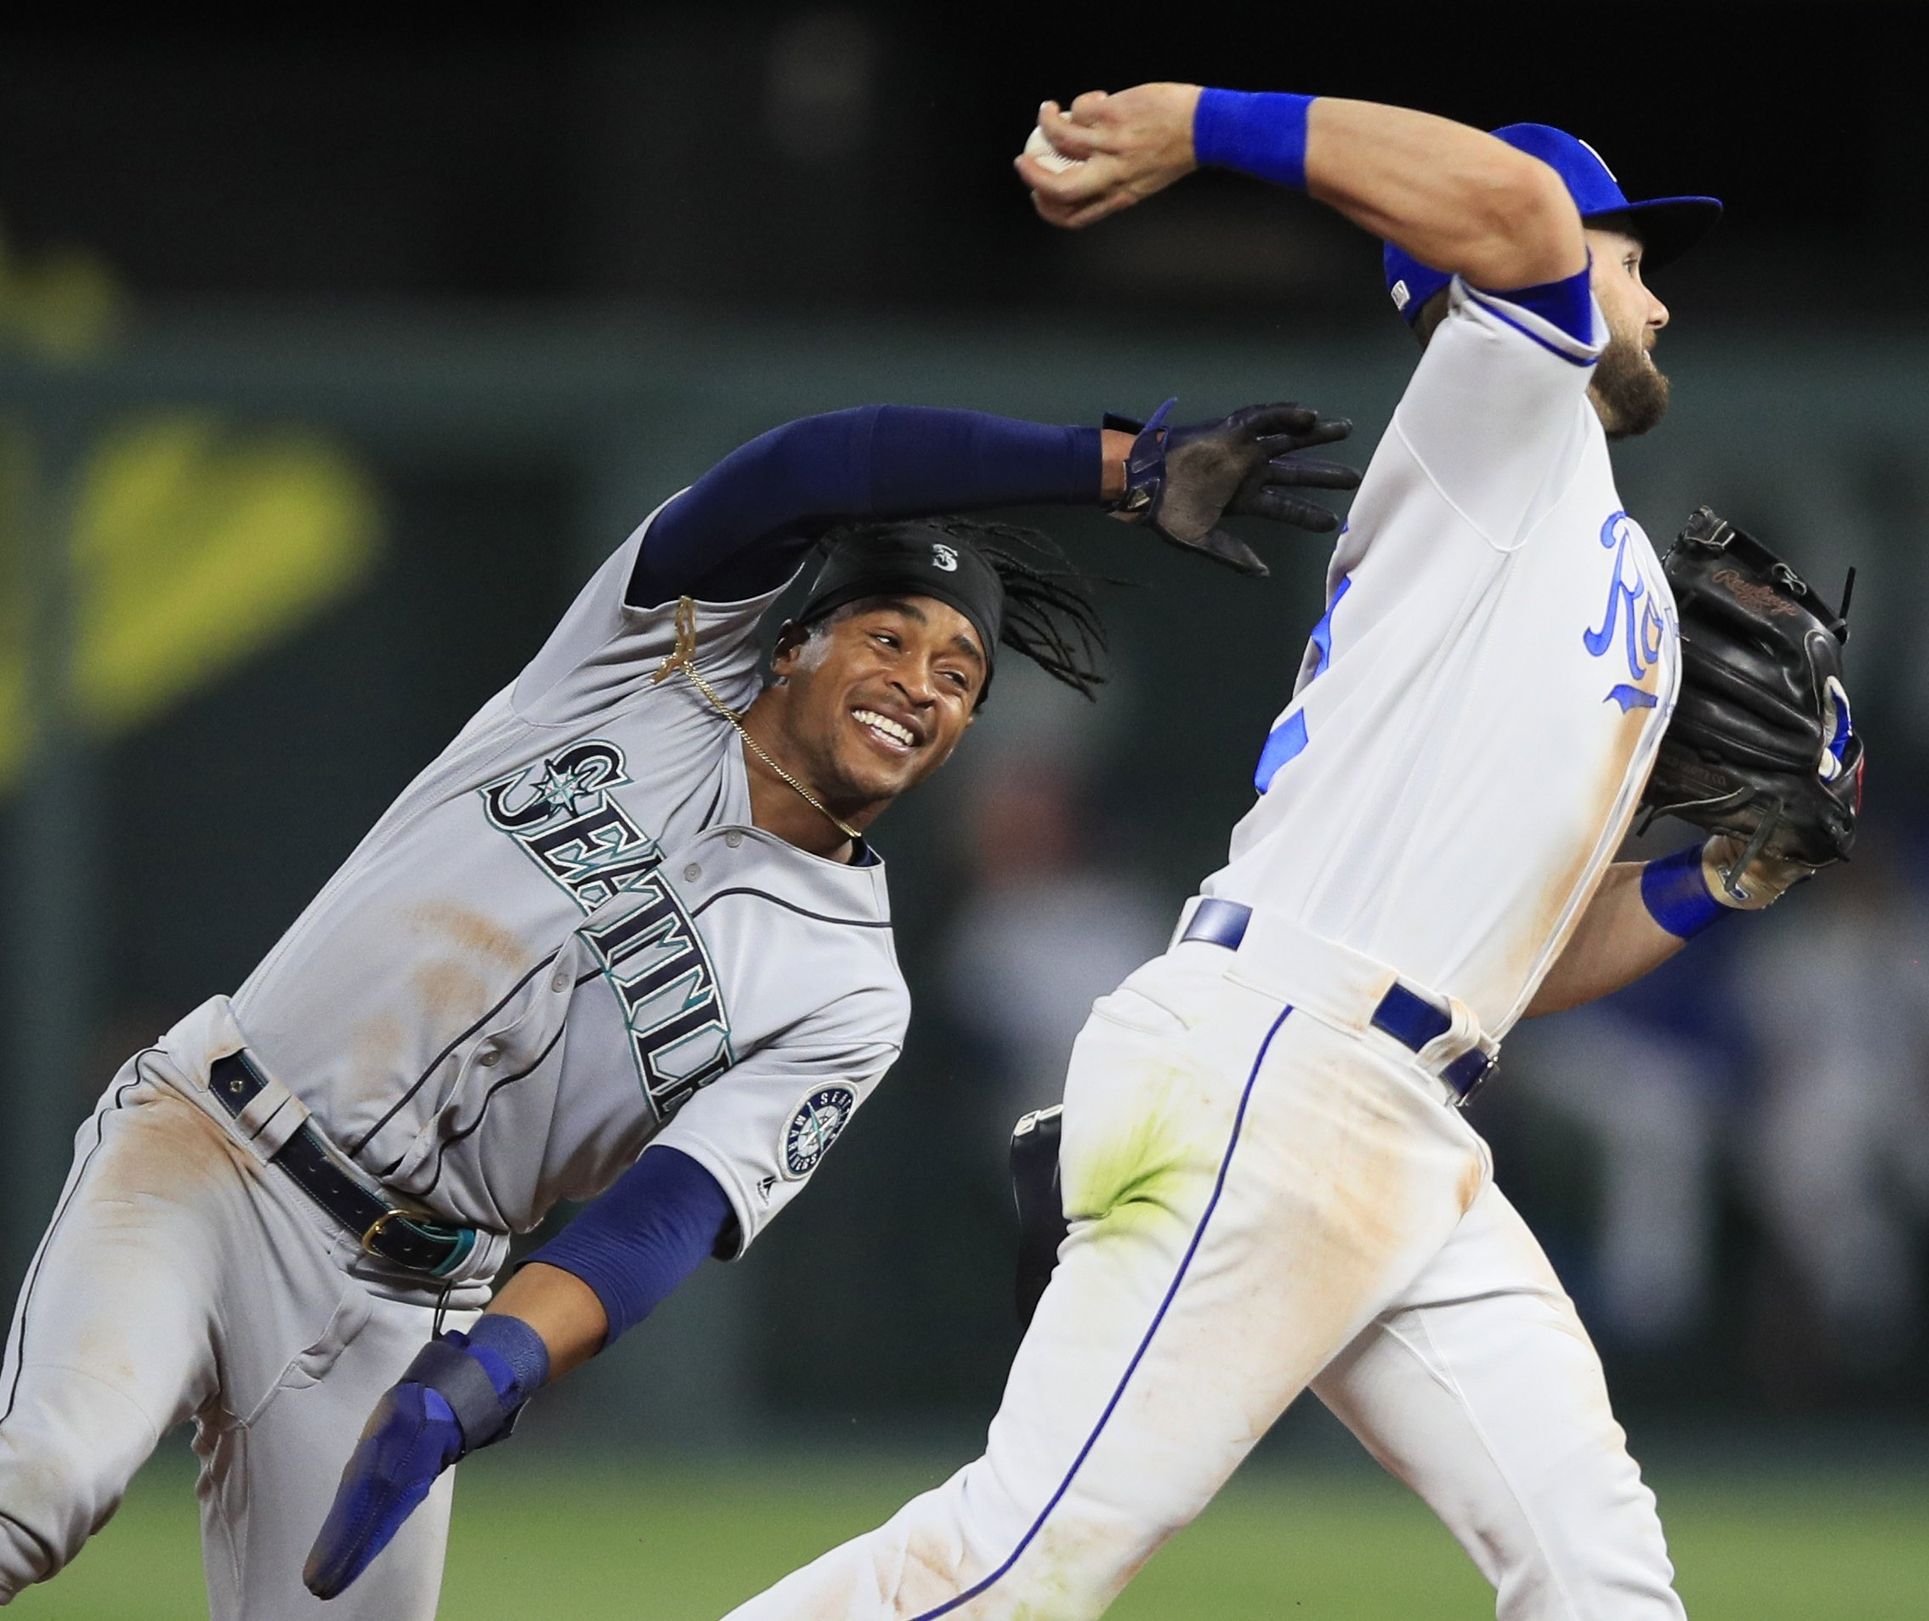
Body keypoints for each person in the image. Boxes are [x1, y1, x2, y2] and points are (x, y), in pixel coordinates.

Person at [721, 85, 1829, 1621]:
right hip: (1277, 1073)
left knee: (1597, 1569)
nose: (1657, 293)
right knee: (1017, 1564)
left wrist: (1724, 882)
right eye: (1629, 254)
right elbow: (1511, 217)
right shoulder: (1497, 417)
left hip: (1410, 1114)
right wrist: (1193, 122)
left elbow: (1518, 961)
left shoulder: (1619, 568)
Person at [0, 398, 1358, 1618]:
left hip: (406, 1292)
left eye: (959, 679)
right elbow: (817, 462)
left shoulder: (849, 991)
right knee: (42, 1482)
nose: (921, 685)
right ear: (793, 646)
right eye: (890, 635)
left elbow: (670, 1211)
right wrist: (1114, 465)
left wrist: (482, 1378)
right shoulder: (640, 667)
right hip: (215, 1150)